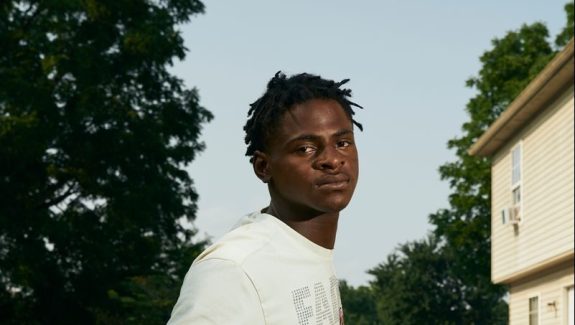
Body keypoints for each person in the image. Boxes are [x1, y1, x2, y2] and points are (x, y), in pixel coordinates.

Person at [167, 71, 363, 325]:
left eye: (343, 143)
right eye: (305, 148)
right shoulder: (234, 269)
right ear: (263, 167)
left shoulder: (310, 253)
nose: (333, 160)